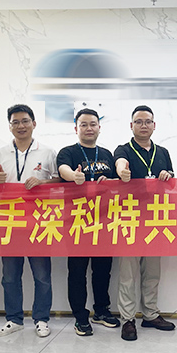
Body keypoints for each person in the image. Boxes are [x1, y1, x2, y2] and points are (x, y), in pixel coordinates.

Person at [0, 104, 58, 339]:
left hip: (39, 221)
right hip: (10, 222)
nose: (21, 126)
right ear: (9, 126)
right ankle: (14, 319)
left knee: (42, 275)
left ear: (34, 124)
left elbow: (60, 182)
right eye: (15, 122)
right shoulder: (0, 154)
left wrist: (42, 182)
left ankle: (42, 319)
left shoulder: (47, 152)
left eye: (25, 121)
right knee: (10, 275)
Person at [113, 105, 177, 341]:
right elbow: (120, 164)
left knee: (152, 271)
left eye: (147, 121)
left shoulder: (163, 152)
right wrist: (122, 171)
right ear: (131, 126)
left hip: (155, 219)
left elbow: (172, 182)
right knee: (128, 273)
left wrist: (168, 177)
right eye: (138, 122)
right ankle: (128, 319)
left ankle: (150, 314)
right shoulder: (123, 149)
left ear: (154, 125)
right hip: (129, 218)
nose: (143, 125)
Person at [56, 108, 121, 337]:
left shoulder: (107, 154)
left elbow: (117, 182)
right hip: (77, 222)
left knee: (103, 270)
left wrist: (111, 180)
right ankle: (80, 316)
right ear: (76, 128)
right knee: (77, 271)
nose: (89, 128)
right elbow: (63, 170)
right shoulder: (68, 152)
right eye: (83, 124)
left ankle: (101, 310)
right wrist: (74, 176)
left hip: (105, 222)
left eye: (93, 124)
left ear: (99, 128)